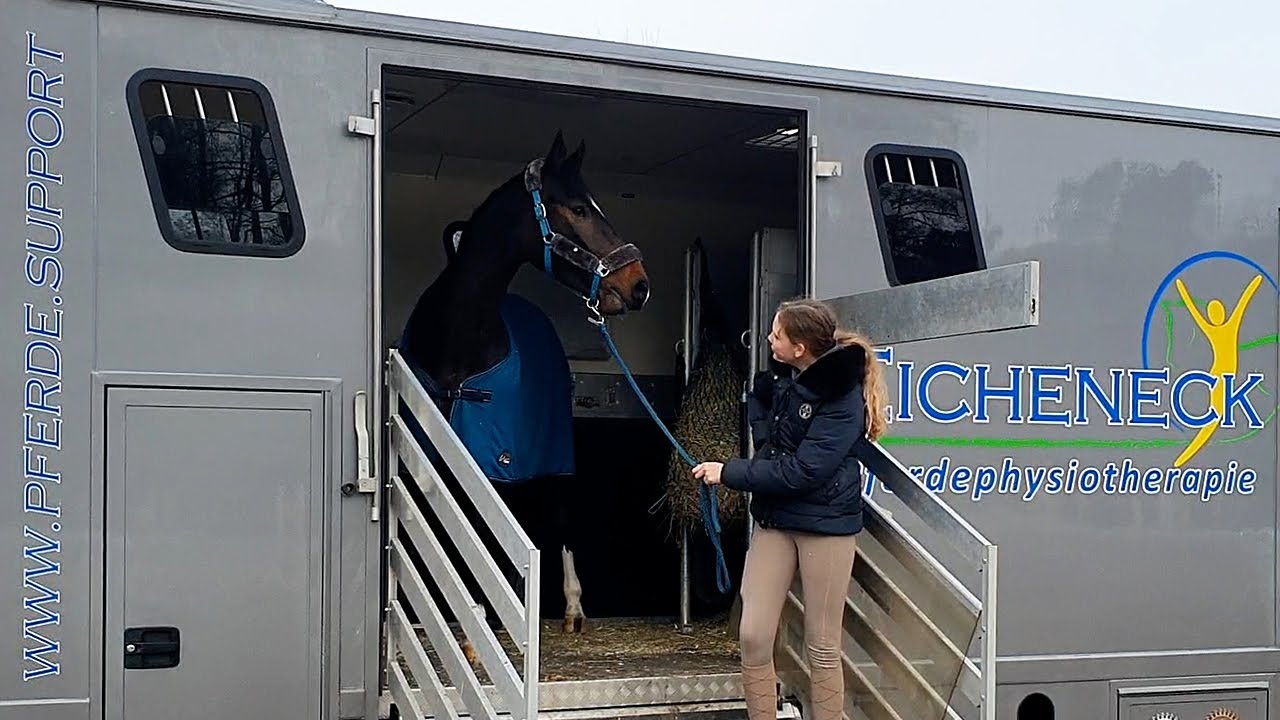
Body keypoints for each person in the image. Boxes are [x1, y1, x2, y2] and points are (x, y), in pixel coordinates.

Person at [692, 297, 888, 720]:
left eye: (776, 334)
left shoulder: (842, 399)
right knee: (753, 635)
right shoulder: (784, 378)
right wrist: (765, 444)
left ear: (800, 347)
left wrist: (729, 472)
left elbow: (803, 472)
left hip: (826, 527)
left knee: (821, 644)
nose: (768, 339)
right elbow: (760, 406)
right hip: (776, 520)